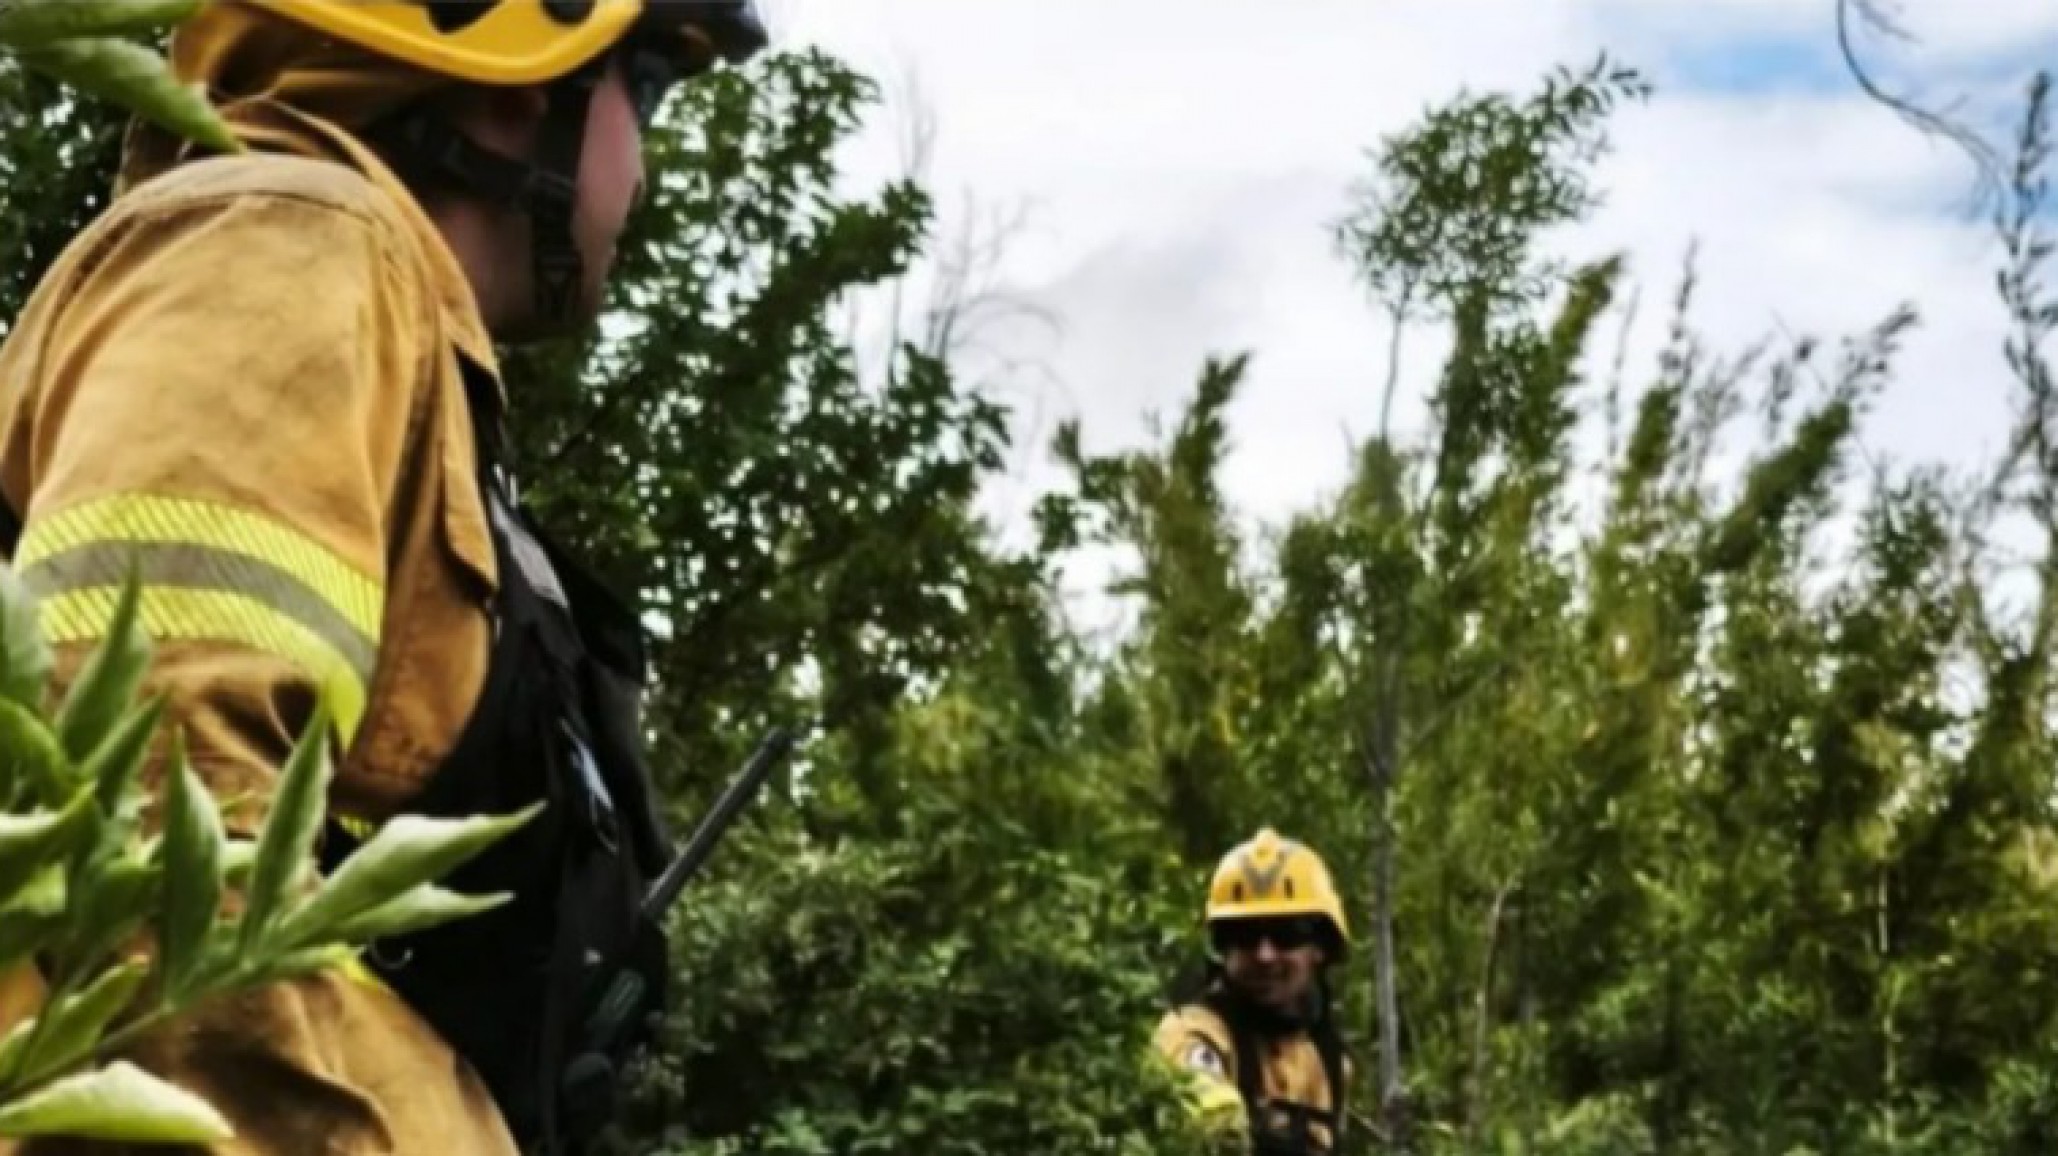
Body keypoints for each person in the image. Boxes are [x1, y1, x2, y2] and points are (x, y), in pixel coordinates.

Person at [0, 2, 765, 1153]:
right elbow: (147, 817)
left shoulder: (359, 301)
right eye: (646, 87)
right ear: (522, 73)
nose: (643, 169)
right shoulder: (282, 249)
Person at [1155, 828, 1354, 1156]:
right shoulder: (1192, 1034)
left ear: (1320, 948)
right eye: (1244, 935)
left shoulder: (1330, 1061)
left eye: (1286, 934)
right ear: (1222, 947)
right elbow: (1207, 1110)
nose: (1265, 955)